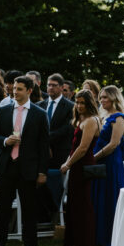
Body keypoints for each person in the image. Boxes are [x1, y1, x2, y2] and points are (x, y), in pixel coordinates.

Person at [0, 75, 50, 246]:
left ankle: (30, 245)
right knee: (3, 208)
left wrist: (42, 172)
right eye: (14, 88)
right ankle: (0, 244)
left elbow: (43, 144)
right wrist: (6, 141)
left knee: (30, 208)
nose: (15, 92)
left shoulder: (39, 114)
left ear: (30, 91)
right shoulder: (5, 111)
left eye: (20, 89)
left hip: (28, 167)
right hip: (6, 165)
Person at [61, 90, 100, 246]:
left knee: (82, 206)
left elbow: (83, 148)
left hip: (83, 165)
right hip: (77, 165)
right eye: (77, 102)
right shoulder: (81, 119)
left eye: (82, 103)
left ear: (89, 103)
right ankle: (73, 243)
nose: (78, 106)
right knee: (74, 204)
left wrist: (68, 164)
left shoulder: (91, 120)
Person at [91, 86, 124, 246]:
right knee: (99, 196)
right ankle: (96, 234)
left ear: (114, 98)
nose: (102, 100)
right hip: (99, 161)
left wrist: (95, 157)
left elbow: (114, 144)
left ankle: (109, 236)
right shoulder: (102, 116)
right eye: (101, 97)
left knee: (109, 196)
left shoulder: (119, 118)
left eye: (105, 97)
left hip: (111, 162)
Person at [42, 73, 75, 220]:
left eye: (54, 85)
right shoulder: (40, 105)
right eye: (49, 84)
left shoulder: (70, 107)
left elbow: (67, 129)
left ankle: (58, 215)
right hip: (43, 153)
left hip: (60, 152)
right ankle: (44, 214)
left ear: (62, 88)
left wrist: (46, 139)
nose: (50, 88)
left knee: (58, 185)